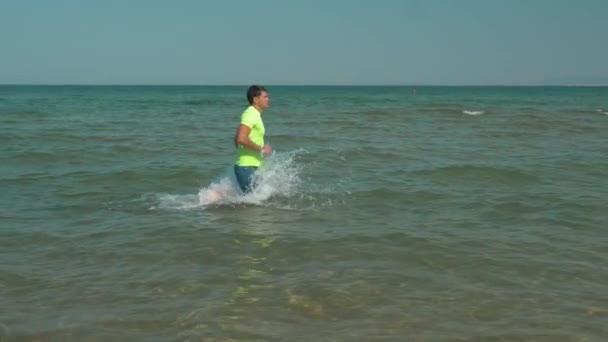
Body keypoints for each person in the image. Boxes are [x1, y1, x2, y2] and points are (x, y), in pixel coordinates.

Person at [233, 85, 272, 193]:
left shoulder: (254, 114)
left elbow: (237, 137)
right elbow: (241, 139)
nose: (268, 99)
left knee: (253, 203)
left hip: (252, 166)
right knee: (254, 206)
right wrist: (261, 149)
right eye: (265, 97)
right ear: (255, 99)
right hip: (246, 167)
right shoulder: (251, 113)